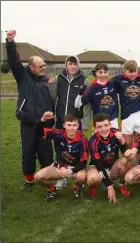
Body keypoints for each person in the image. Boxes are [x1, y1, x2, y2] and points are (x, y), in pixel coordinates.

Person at [5, 29, 55, 190]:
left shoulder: (47, 81)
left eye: (44, 65)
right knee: (28, 154)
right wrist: (11, 43)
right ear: (31, 67)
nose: (43, 68)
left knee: (46, 154)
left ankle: (45, 179)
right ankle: (29, 180)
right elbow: (14, 61)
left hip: (45, 125)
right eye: (40, 66)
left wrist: (51, 118)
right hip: (28, 124)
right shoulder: (23, 77)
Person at [34, 115, 88, 201]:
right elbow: (38, 131)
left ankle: (77, 188)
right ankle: (52, 190)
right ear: (64, 125)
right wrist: (43, 119)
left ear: (78, 126)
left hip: (75, 168)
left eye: (74, 125)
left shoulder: (83, 140)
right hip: (59, 166)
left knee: (82, 177)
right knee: (38, 177)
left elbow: (83, 162)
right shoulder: (58, 134)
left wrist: (71, 171)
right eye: (69, 125)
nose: (72, 128)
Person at [86, 113, 131, 202]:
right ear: (95, 128)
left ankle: (122, 184)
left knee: (127, 159)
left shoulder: (116, 133)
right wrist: (109, 186)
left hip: (113, 166)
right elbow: (99, 164)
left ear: (110, 125)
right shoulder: (93, 142)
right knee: (92, 179)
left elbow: (125, 152)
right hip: (98, 167)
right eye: (100, 127)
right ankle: (94, 186)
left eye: (106, 125)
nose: (104, 129)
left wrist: (122, 140)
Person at [112, 60, 140, 148]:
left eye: (135, 71)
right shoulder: (117, 80)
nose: (133, 74)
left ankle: (137, 162)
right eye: (130, 72)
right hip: (126, 116)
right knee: (127, 144)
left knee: (139, 144)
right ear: (124, 71)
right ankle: (128, 161)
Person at [48, 56, 91, 131]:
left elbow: (88, 104)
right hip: (60, 121)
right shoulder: (58, 78)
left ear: (78, 65)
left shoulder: (85, 80)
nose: (72, 67)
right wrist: (51, 86)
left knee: (75, 142)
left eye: (75, 64)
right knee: (59, 142)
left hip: (75, 122)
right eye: (70, 64)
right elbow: (53, 99)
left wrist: (86, 122)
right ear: (66, 65)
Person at [74, 63, 119, 130]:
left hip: (113, 121)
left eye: (105, 72)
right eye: (100, 72)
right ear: (96, 73)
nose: (103, 75)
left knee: (114, 140)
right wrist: (80, 94)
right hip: (99, 122)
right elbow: (77, 105)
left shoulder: (113, 83)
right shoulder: (92, 88)